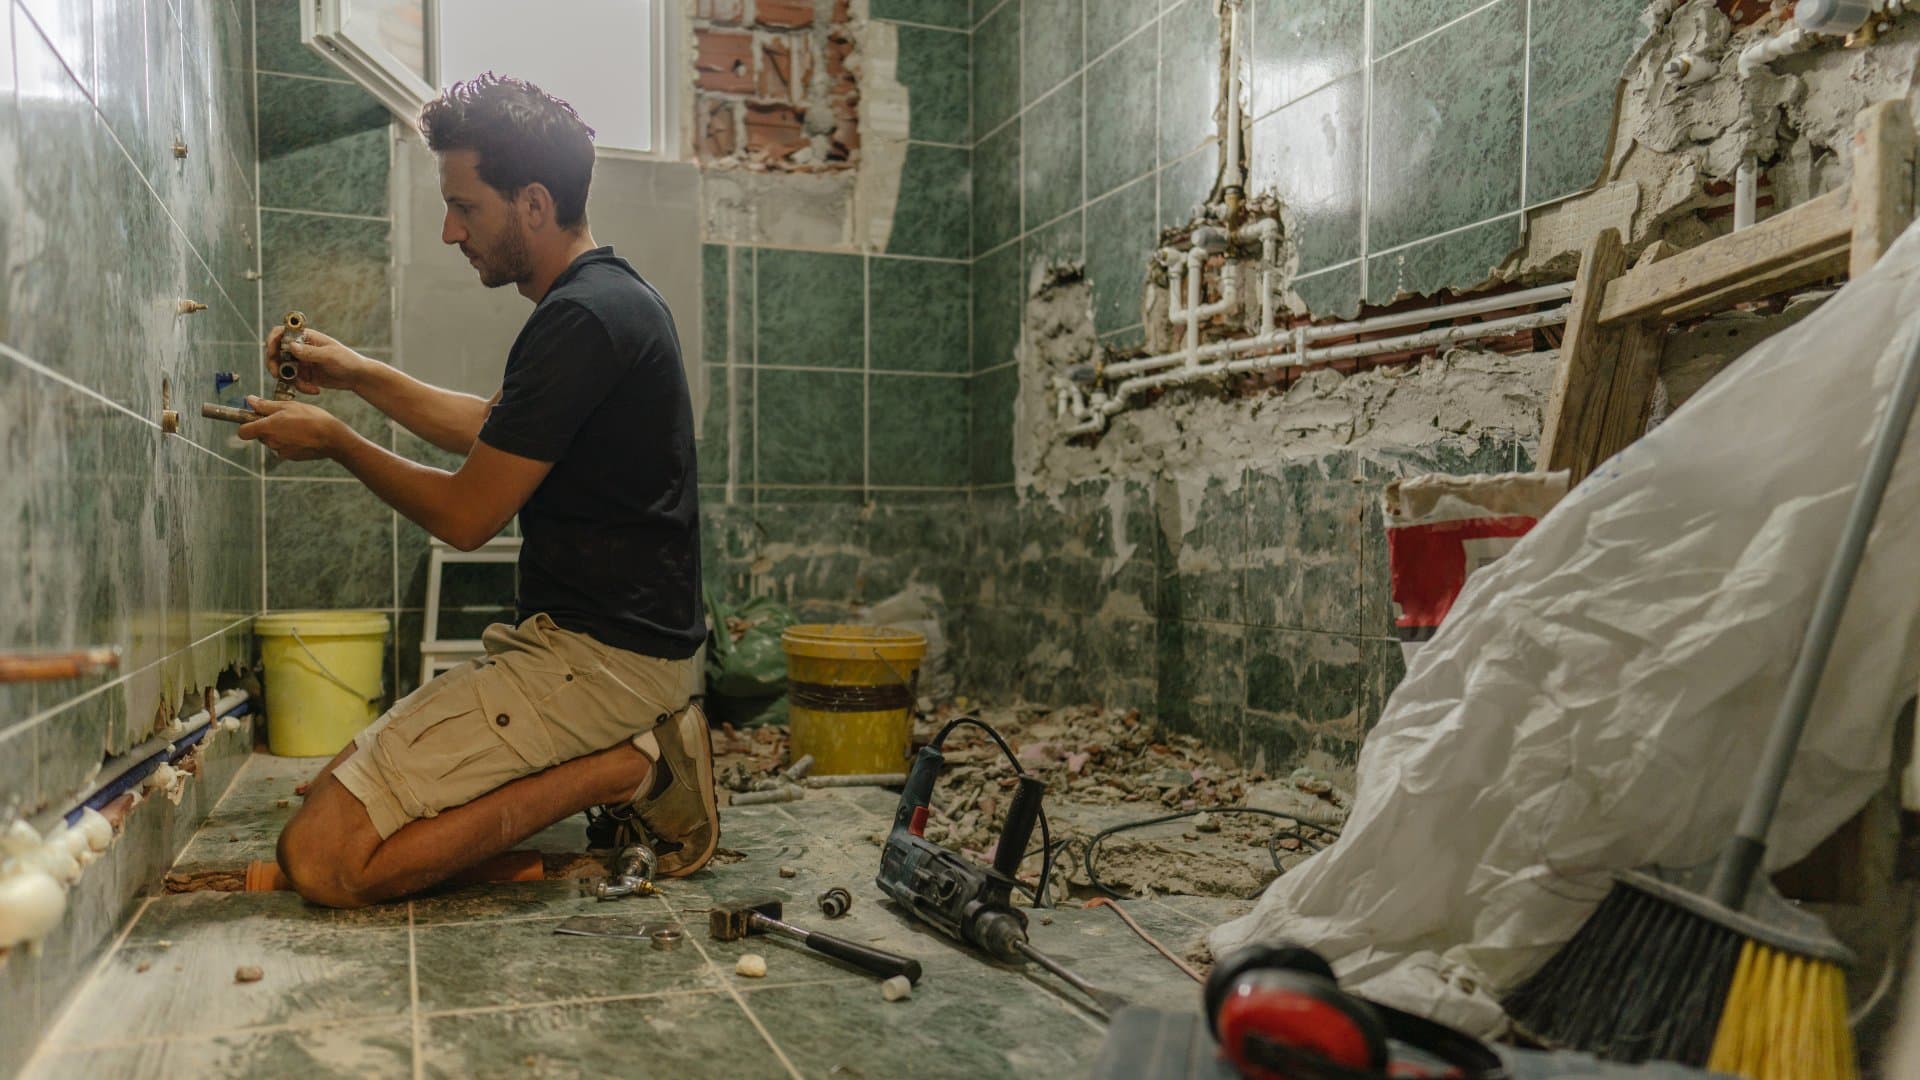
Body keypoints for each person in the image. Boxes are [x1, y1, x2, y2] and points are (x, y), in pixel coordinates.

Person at [237, 74, 714, 908]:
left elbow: (466, 515)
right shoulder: (606, 300)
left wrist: (337, 442)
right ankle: (628, 748)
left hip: (604, 667)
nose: (450, 229)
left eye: (466, 206)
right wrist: (357, 374)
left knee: (323, 858)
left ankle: (633, 763)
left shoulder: (582, 321)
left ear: (532, 203)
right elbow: (497, 429)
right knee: (336, 786)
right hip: (603, 649)